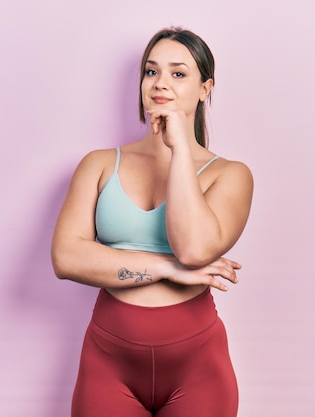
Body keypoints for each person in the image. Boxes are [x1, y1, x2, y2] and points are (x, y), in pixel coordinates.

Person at [51, 26, 254, 417]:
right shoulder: (99, 164)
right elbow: (66, 258)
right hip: (108, 362)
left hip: (197, 367)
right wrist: (167, 268)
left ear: (204, 88)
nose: (161, 83)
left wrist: (179, 150)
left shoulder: (230, 174)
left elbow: (193, 249)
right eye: (150, 71)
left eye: (179, 73)